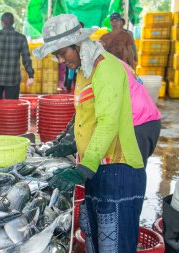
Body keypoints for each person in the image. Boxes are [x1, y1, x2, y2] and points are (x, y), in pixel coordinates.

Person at [33, 14, 161, 252]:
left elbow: (108, 123)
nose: (60, 60)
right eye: (56, 55)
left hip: (125, 152)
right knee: (97, 226)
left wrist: (85, 167)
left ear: (77, 44)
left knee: (116, 231)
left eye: (62, 53)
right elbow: (84, 111)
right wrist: (70, 143)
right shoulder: (84, 68)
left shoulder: (107, 68)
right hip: (102, 156)